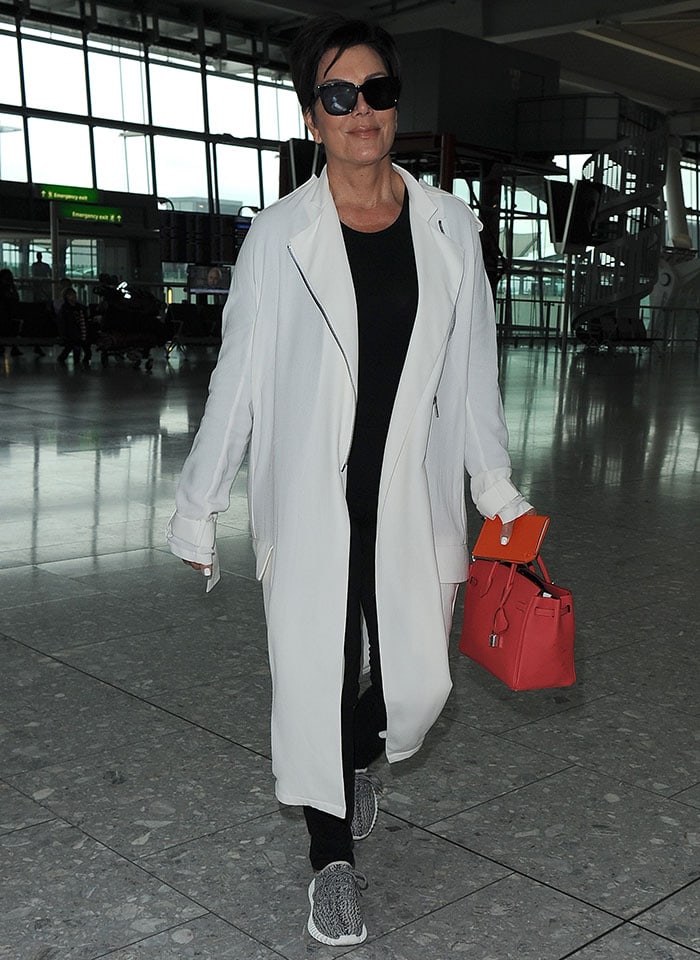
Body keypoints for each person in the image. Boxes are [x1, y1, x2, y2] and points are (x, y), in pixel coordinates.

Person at [167, 14, 534, 947]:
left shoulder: (451, 225)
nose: (362, 111)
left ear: (393, 106)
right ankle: (332, 862)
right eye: (340, 95)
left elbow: (476, 381)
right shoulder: (278, 235)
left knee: (418, 686)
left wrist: (498, 494)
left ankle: (363, 754)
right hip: (312, 502)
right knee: (318, 680)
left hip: (409, 494)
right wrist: (199, 503)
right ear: (313, 115)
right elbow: (238, 380)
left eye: (377, 92)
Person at [56, 286, 91, 366]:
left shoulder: (76, 308)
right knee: (76, 347)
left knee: (74, 347)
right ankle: (77, 362)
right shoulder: (67, 309)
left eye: (74, 294)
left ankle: (73, 360)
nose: (74, 296)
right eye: (71, 295)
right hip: (74, 333)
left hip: (78, 332)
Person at [0, 268, 22, 357]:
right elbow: (15, 300)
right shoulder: (8, 290)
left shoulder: (6, 290)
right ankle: (14, 347)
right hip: (7, 317)